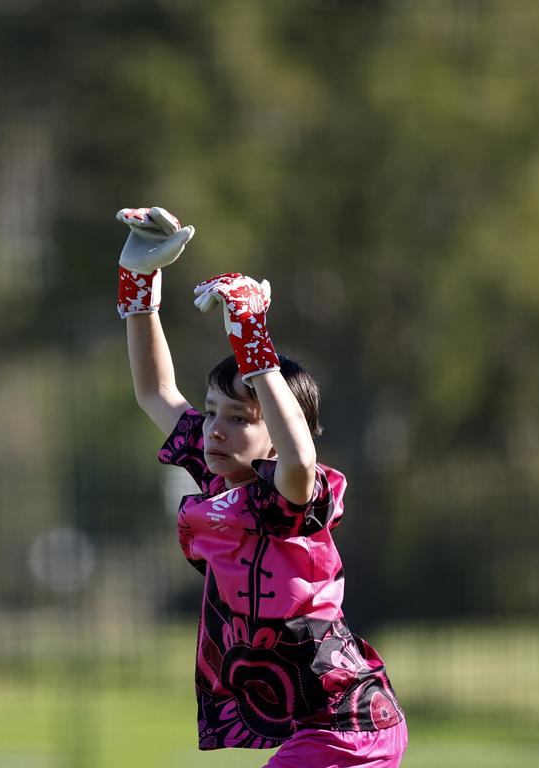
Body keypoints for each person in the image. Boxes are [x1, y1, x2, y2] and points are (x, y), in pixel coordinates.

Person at [116, 206, 408, 767]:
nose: (216, 429)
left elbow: (299, 455)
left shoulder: (290, 498)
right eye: (210, 412)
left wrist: (255, 344)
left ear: (272, 434)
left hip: (346, 726)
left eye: (241, 418)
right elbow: (154, 390)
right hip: (321, 727)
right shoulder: (219, 478)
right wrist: (139, 282)